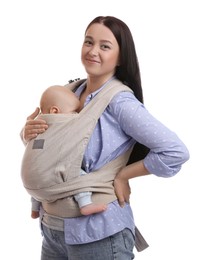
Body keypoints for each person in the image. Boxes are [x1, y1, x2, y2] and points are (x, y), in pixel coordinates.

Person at [21, 16, 190, 260]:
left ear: (121, 57)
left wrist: (124, 175)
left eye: (105, 46)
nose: (93, 51)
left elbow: (175, 152)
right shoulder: (69, 91)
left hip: (98, 235)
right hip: (53, 230)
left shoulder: (120, 102)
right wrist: (29, 134)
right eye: (88, 42)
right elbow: (54, 154)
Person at [23, 85, 107, 218]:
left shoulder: (36, 124)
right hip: (47, 181)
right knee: (80, 176)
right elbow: (85, 122)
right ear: (55, 112)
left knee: (38, 174)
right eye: (74, 112)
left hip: (29, 183)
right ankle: (85, 204)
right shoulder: (62, 123)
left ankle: (35, 209)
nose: (76, 115)